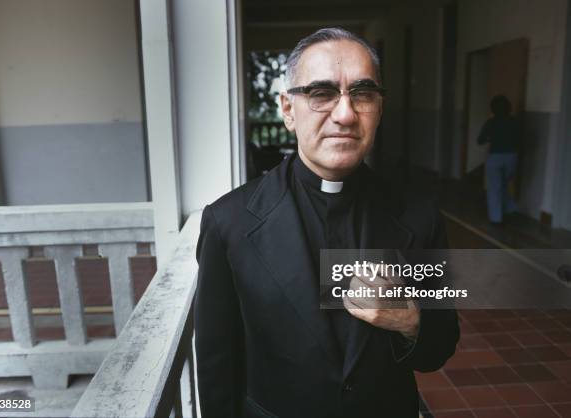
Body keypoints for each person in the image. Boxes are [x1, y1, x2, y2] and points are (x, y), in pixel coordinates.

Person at [195, 28, 459, 418]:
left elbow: (440, 347)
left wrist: (411, 319)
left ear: (379, 109)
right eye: (321, 94)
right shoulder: (228, 223)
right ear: (287, 109)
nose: (345, 114)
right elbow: (218, 366)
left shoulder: (418, 216)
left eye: (363, 94)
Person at [477, 95, 521, 224]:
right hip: (511, 158)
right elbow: (520, 139)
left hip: (495, 157)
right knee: (502, 184)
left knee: (494, 187)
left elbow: (480, 140)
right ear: (508, 108)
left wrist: (490, 138)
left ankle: (496, 219)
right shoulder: (514, 121)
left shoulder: (491, 122)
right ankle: (511, 208)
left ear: (493, 109)